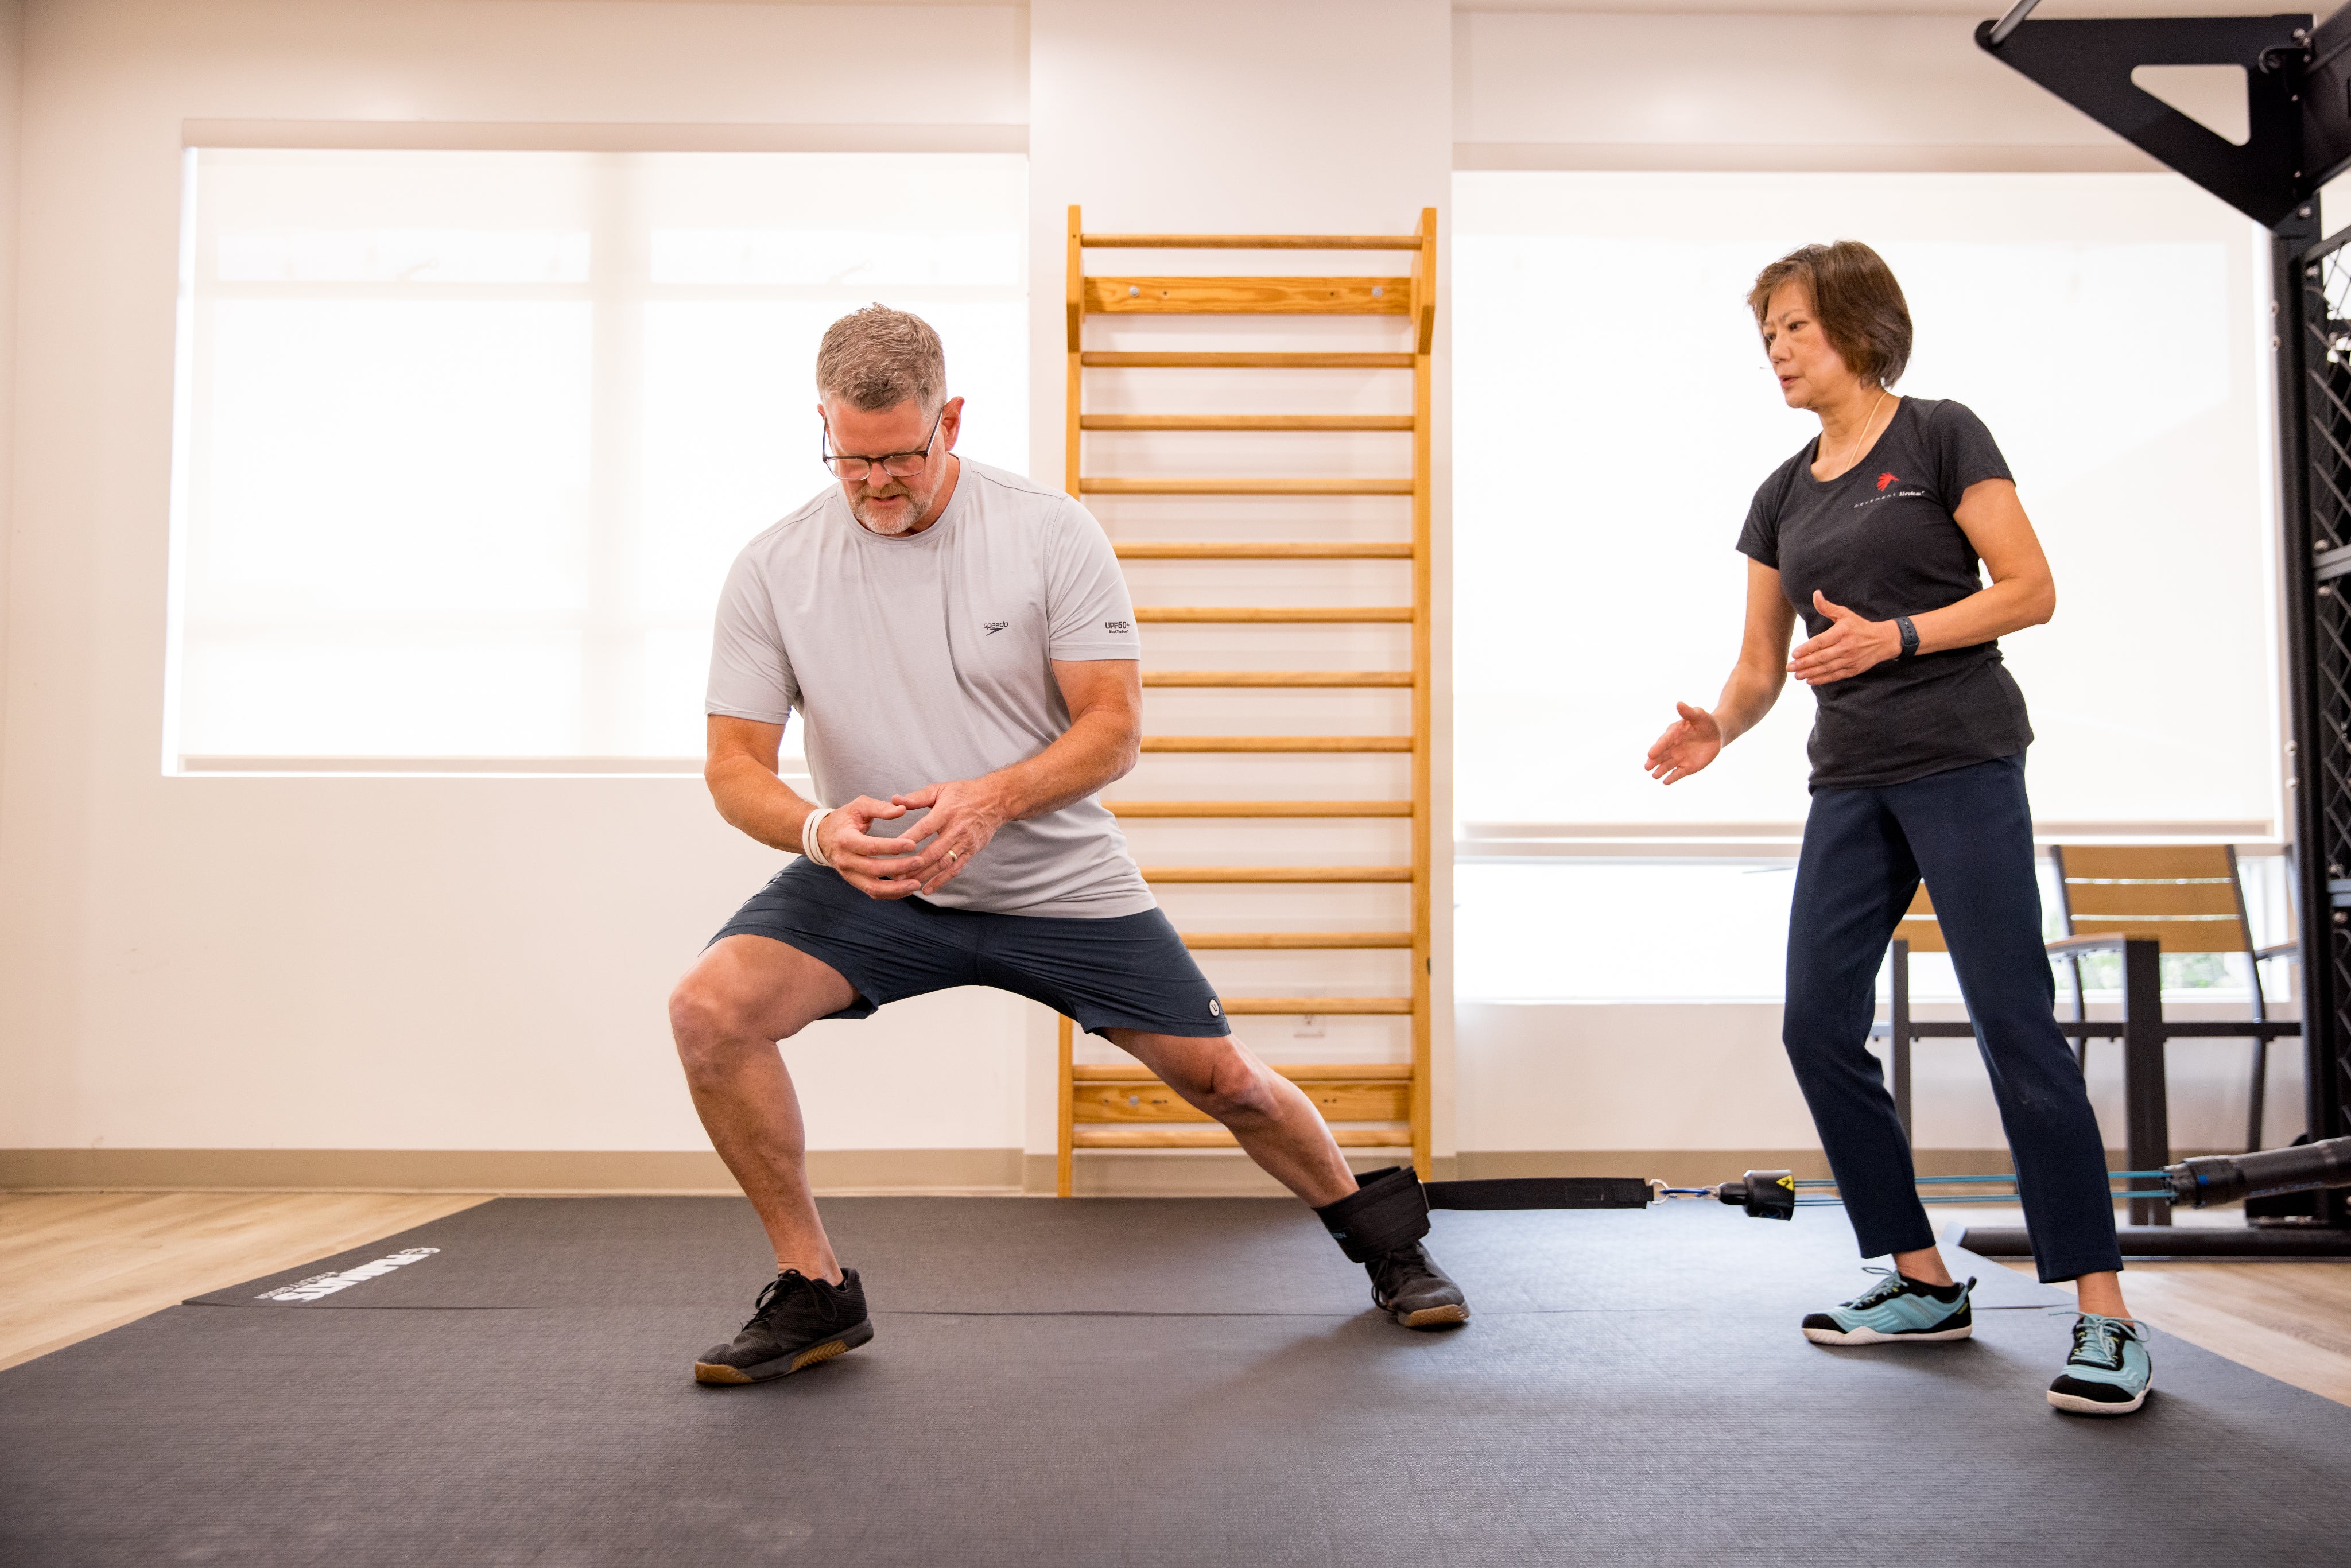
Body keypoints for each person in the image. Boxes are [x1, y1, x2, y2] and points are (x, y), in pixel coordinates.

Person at [671, 305, 1468, 1384]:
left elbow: (1114, 728)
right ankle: (815, 1291)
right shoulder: (774, 567)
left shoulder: (1049, 532)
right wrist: (821, 831)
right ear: (825, 428)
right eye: (851, 460)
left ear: (949, 419)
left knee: (1225, 1081)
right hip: (880, 884)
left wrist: (994, 803)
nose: (877, 484)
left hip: (1055, 881)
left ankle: (1393, 1253)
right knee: (710, 1013)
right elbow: (733, 768)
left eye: (901, 456)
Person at [1643, 242, 2150, 1416]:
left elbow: (2028, 586)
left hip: (1962, 759)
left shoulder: (1938, 435)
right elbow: (1760, 665)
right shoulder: (1779, 493)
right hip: (1849, 782)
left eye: (1792, 328)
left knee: (2011, 1023)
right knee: (1814, 1025)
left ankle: (2103, 1314)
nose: (1774, 350)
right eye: (1763, 333)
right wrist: (1718, 724)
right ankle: (1919, 1278)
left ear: (1857, 330)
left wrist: (1902, 635)